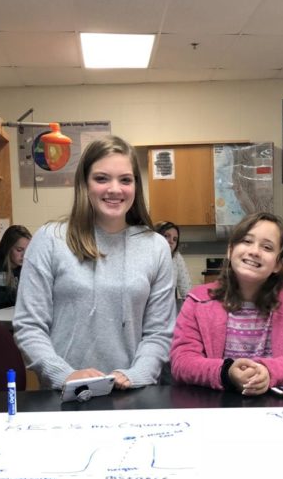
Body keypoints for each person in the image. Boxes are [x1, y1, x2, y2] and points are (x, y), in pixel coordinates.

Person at [13, 136, 176, 391]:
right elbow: (29, 326)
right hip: (63, 395)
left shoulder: (155, 247)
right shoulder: (50, 239)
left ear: (136, 185)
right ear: (84, 184)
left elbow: (159, 332)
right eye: (101, 178)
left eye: (125, 179)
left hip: (132, 395)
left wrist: (135, 375)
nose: (114, 189)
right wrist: (65, 375)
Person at [170, 212, 283, 395]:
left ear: (278, 264)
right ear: (230, 250)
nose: (254, 251)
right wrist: (226, 372)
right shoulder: (198, 302)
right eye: (247, 241)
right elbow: (181, 361)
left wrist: (268, 371)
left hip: (279, 409)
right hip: (217, 408)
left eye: (267, 247)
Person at [155, 221, 192, 300]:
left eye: (175, 239)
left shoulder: (176, 257)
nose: (171, 241)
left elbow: (186, 290)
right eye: (166, 236)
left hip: (168, 308)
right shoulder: (146, 258)